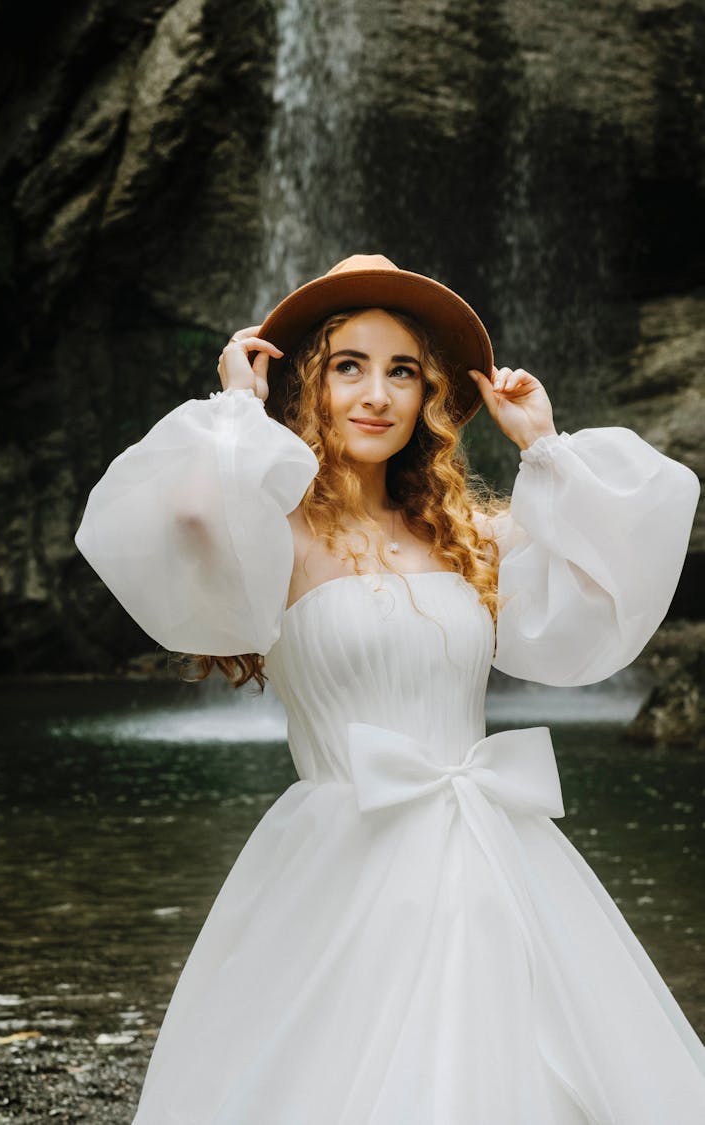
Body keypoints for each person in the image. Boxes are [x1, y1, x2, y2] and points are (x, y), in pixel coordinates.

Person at [75, 254, 705, 1123]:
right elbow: (189, 513)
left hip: (494, 846)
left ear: (427, 398)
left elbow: (616, 559)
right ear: (306, 386)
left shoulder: (463, 533)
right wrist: (234, 407)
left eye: (402, 371)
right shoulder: (279, 536)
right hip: (344, 844)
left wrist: (543, 444)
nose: (377, 394)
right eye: (349, 367)